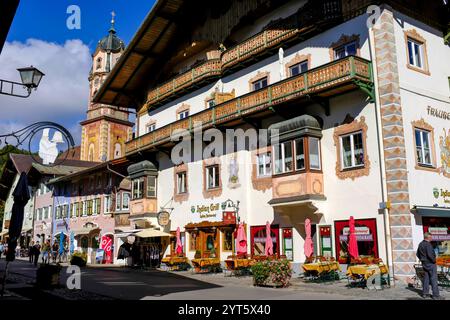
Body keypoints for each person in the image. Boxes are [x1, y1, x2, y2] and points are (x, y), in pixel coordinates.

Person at [416, 232, 444, 300]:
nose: (432, 238)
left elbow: (417, 254)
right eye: (431, 237)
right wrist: (434, 261)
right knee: (433, 279)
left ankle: (425, 294)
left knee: (426, 279)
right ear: (428, 237)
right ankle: (436, 295)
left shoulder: (420, 244)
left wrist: (422, 260)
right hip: (430, 264)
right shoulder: (428, 245)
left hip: (424, 263)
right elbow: (430, 255)